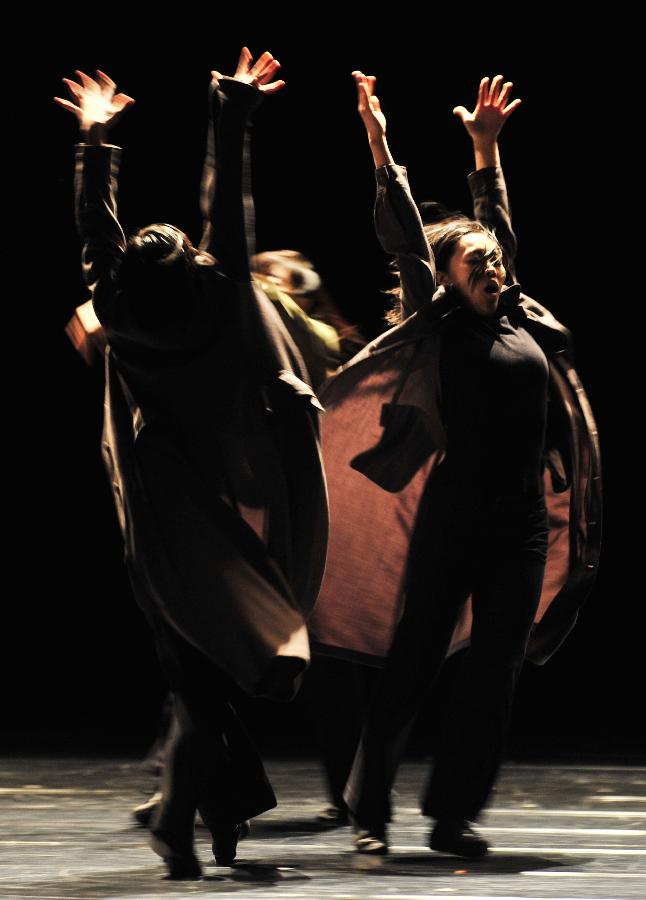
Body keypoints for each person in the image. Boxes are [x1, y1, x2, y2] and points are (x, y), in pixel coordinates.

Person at [309, 72, 601, 858]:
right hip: (455, 515)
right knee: (412, 662)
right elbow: (405, 236)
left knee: (496, 672)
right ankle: (368, 811)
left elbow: (497, 220)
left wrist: (485, 150)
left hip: (522, 523)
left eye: (497, 259)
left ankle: (451, 816)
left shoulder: (518, 317)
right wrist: (380, 144)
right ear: (444, 277)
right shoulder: (442, 331)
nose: (496, 265)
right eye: (479, 260)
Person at [56, 48, 329, 878]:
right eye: (165, 240)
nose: (161, 230)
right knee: (202, 669)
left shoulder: (121, 304)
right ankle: (189, 814)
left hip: (153, 495)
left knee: (192, 668)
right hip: (208, 494)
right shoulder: (215, 303)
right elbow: (229, 213)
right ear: (196, 269)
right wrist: (231, 115)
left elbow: (98, 231)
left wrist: (97, 143)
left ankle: (202, 812)